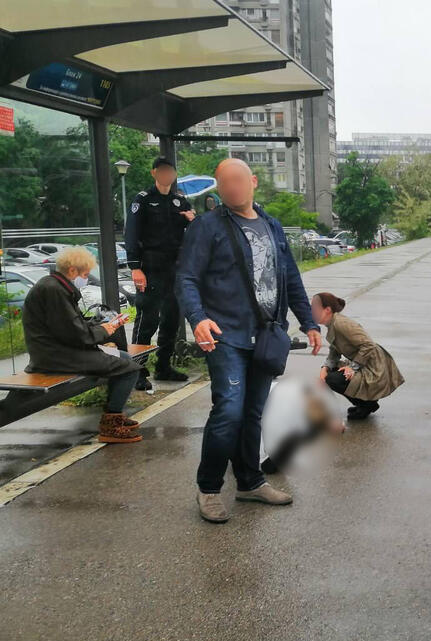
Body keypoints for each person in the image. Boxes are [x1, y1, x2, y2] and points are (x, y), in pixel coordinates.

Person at [176, 158, 323, 524]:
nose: (231, 188)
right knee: (229, 410)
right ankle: (209, 488)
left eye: (238, 180)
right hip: (225, 334)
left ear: (253, 181)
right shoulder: (207, 227)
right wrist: (198, 318)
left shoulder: (272, 226)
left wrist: (309, 322)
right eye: (224, 183)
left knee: (253, 414)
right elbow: (187, 278)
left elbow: (291, 278)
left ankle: (249, 482)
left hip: (267, 334)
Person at [21, 247, 142, 444]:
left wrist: (105, 327)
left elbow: (72, 326)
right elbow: (74, 333)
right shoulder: (54, 291)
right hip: (55, 355)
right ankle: (111, 423)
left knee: (124, 358)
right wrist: (105, 331)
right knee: (130, 368)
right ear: (72, 271)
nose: (86, 279)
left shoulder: (55, 286)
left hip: (57, 351)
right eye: (85, 274)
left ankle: (114, 415)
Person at [124, 156, 196, 390]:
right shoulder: (143, 200)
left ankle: (163, 366)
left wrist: (192, 221)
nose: (167, 175)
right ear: (154, 173)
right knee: (147, 319)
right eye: (162, 171)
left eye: (171, 171)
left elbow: (194, 234)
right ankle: (137, 371)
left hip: (174, 269)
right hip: (150, 268)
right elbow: (131, 233)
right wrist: (135, 267)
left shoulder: (180, 201)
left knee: (172, 319)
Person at [313, 292, 404, 420]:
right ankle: (364, 404)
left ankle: (367, 405)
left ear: (327, 309)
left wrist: (352, 367)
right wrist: (324, 369)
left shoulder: (341, 323)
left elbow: (369, 345)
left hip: (374, 367)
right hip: (364, 363)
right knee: (329, 375)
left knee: (333, 379)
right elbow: (334, 354)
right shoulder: (332, 325)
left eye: (315, 308)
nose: (312, 311)